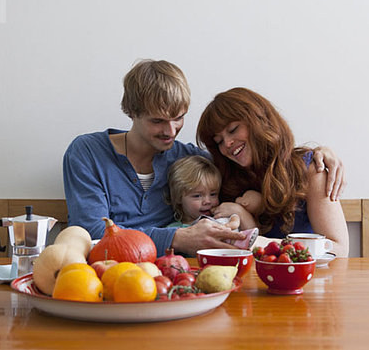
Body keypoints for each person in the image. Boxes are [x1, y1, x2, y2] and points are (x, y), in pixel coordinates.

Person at [63, 60, 345, 256]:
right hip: (112, 273)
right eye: (158, 120)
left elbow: (266, 169)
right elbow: (92, 232)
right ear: (131, 112)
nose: (170, 131)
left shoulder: (192, 160)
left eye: (179, 118)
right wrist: (179, 238)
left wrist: (322, 153)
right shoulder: (88, 153)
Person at [196, 87, 349, 256]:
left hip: (309, 279)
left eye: (233, 130)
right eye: (219, 141)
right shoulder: (224, 178)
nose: (227, 144)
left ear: (258, 120)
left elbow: (340, 250)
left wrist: (263, 243)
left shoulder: (310, 169)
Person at [165, 155, 258, 250]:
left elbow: (255, 238)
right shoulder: (176, 231)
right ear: (179, 198)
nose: (207, 201)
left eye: (213, 194)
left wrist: (233, 222)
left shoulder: (221, 218)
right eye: (197, 196)